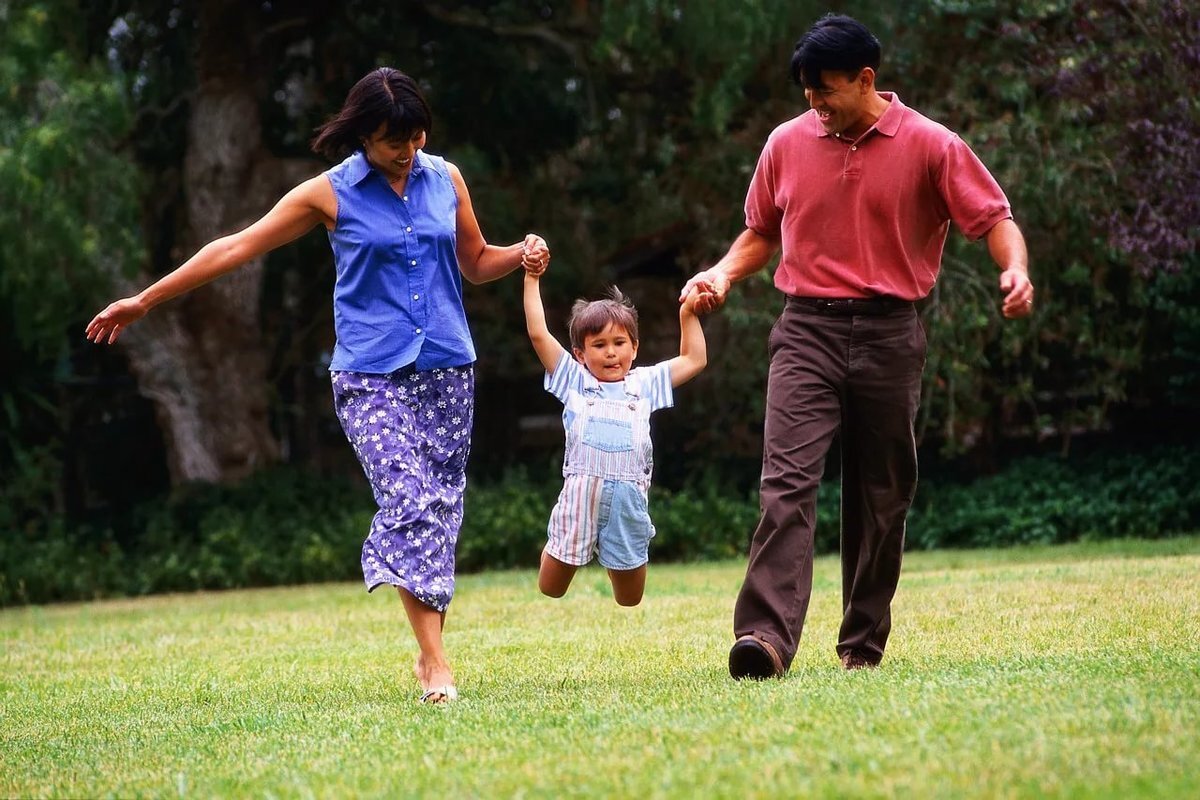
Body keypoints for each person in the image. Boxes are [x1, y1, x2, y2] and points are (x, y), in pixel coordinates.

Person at [86, 67, 550, 704]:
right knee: (409, 501)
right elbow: (235, 248)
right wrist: (145, 300)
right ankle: (436, 663)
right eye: (392, 140)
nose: (407, 151)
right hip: (370, 374)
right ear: (361, 134)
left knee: (440, 513)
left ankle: (428, 654)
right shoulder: (328, 195)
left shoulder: (446, 179)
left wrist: (520, 256)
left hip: (447, 366)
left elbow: (473, 263)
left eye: (415, 137)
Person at [679, 15, 1035, 679]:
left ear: (865, 78)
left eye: (827, 90)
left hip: (890, 331)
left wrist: (1014, 270)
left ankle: (861, 645)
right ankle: (764, 638)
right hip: (805, 329)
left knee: (881, 493)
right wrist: (722, 273)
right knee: (785, 484)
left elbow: (994, 219)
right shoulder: (786, 143)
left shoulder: (932, 145)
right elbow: (760, 231)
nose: (815, 103)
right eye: (807, 92)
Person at [523, 271, 707, 606]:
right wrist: (532, 277)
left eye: (619, 343)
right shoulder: (574, 380)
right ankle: (564, 542)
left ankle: (609, 551)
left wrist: (688, 313)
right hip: (580, 498)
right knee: (551, 587)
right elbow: (538, 334)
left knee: (630, 598)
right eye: (599, 345)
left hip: (627, 503)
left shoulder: (645, 383)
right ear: (580, 354)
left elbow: (695, 359)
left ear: (634, 348)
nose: (611, 353)